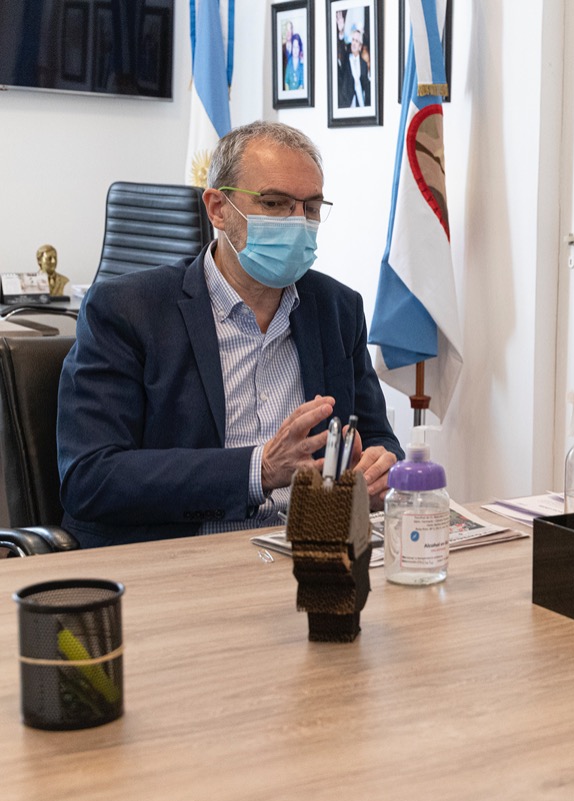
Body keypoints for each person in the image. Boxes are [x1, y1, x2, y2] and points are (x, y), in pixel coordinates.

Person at [57, 121, 403, 549]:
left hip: (312, 551)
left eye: (311, 207)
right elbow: (90, 477)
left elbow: (378, 437)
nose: (298, 222)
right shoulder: (125, 310)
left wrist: (380, 468)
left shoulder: (337, 309)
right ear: (218, 208)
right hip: (179, 558)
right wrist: (259, 470)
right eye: (275, 203)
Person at [337, 25, 371, 109]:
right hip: (346, 104)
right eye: (353, 40)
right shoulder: (346, 59)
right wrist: (341, 32)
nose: (354, 43)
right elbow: (341, 48)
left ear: (360, 46)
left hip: (360, 105)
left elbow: (366, 85)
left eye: (356, 41)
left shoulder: (364, 63)